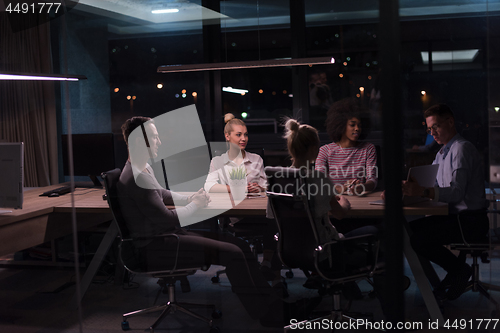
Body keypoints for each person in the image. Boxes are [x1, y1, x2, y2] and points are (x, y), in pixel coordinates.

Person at [116, 116, 297, 327]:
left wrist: (191, 197)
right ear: (139, 141)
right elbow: (168, 220)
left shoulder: (142, 168)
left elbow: (163, 194)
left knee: (237, 243)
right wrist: (197, 205)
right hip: (156, 245)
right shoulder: (137, 177)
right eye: (155, 137)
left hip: (166, 237)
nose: (160, 142)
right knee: (233, 252)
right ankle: (267, 314)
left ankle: (274, 305)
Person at [402, 104, 489, 300]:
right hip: (454, 217)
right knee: (411, 230)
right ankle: (454, 272)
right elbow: (432, 187)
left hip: (470, 221)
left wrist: (423, 190)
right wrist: (407, 189)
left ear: (450, 122)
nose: (432, 133)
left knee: (418, 239)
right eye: (429, 129)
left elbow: (456, 193)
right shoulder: (441, 153)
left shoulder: (461, 149)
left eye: (436, 127)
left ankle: (459, 270)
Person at [315, 97, 378, 197]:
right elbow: (319, 182)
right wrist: (342, 188)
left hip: (359, 199)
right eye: (352, 125)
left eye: (359, 125)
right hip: (335, 201)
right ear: (341, 125)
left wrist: (362, 187)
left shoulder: (368, 148)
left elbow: (372, 180)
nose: (357, 129)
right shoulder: (325, 151)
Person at [204, 113, 266, 194]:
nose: (244, 139)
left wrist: (260, 188)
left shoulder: (256, 159)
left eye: (246, 135)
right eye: (238, 135)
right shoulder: (217, 161)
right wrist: (241, 189)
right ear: (227, 136)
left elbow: (266, 185)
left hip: (252, 204)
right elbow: (209, 186)